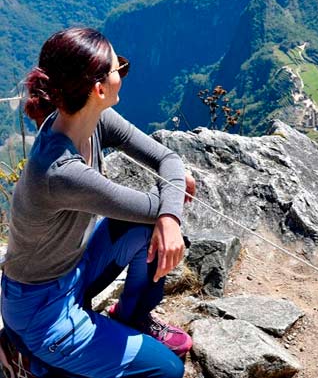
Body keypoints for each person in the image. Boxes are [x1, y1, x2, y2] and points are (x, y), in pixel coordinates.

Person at [0, 27, 195, 378]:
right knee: (166, 371)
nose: (122, 72)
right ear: (98, 89)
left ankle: (132, 317)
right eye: (117, 67)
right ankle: (28, 357)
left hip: (75, 267)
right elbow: (160, 199)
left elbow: (169, 161)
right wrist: (170, 209)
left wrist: (169, 208)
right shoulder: (61, 172)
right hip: (42, 310)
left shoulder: (91, 119)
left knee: (151, 224)